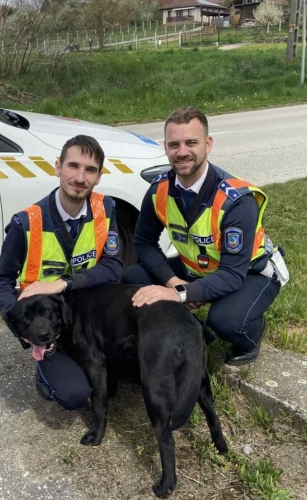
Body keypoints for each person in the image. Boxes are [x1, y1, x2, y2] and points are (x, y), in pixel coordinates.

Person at [121, 107, 289, 366]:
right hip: (198, 268)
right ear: (165, 147)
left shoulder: (236, 200)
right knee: (134, 279)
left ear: (207, 144)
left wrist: (180, 294)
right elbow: (144, 242)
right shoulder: (159, 190)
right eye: (174, 144)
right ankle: (193, 328)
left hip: (249, 272)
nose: (182, 152)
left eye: (191, 143)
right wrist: (174, 282)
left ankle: (252, 333)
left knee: (226, 321)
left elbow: (232, 275)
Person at [0, 135, 123, 409]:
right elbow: (3, 280)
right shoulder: (25, 223)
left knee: (116, 379)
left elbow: (113, 267)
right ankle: (46, 367)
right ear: (58, 167)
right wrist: (18, 326)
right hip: (46, 322)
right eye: (73, 166)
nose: (80, 177)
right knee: (74, 394)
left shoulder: (106, 208)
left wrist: (64, 283)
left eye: (90, 170)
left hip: (87, 316)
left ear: (99, 177)